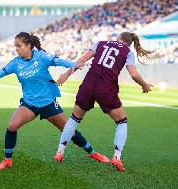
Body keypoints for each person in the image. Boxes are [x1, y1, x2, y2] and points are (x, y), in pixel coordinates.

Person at [0, 32, 109, 171]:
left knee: (68, 130)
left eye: (19, 45)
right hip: (29, 104)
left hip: (48, 102)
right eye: (15, 46)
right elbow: (1, 72)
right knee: (12, 126)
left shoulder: (41, 56)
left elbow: (58, 61)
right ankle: (7, 160)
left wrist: (74, 64)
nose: (16, 49)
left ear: (28, 45)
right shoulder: (15, 63)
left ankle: (92, 153)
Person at [54, 32, 154, 172]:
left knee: (74, 118)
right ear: (130, 43)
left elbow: (80, 61)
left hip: (88, 85)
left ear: (119, 38)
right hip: (106, 88)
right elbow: (134, 74)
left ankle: (59, 152)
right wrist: (144, 85)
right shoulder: (128, 52)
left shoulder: (100, 43)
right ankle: (116, 157)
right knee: (121, 121)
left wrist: (66, 75)